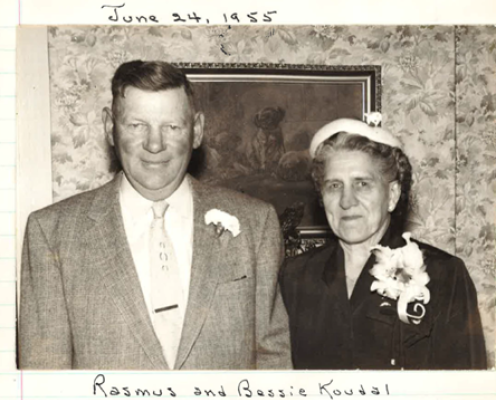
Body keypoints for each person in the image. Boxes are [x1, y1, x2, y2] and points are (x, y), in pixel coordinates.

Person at [19, 60, 292, 370]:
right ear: (110, 127)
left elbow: (274, 365)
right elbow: (45, 380)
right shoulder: (51, 233)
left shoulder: (255, 224)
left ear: (197, 131)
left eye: (172, 127)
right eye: (137, 125)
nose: (154, 144)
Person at [279, 116, 487, 370]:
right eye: (334, 185)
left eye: (362, 184)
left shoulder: (444, 275)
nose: (347, 201)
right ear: (322, 197)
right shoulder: (296, 276)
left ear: (393, 195)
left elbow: (466, 390)